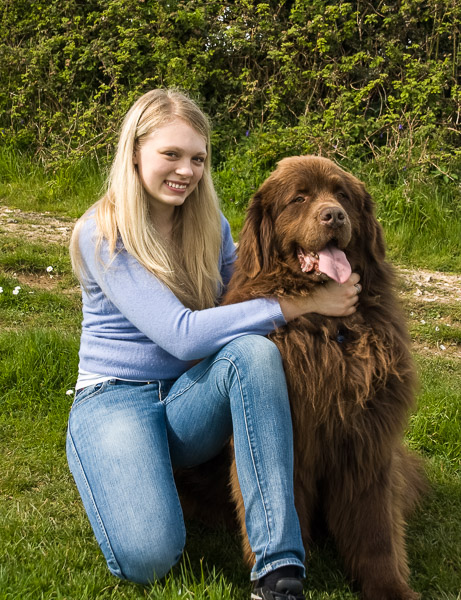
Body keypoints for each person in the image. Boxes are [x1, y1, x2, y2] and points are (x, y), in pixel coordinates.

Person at [67, 88, 361, 600]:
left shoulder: (210, 226)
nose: (186, 170)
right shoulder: (102, 232)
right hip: (115, 399)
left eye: (198, 158)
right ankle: (102, 462)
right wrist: (301, 305)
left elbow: (247, 293)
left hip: (189, 396)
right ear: (135, 152)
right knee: (149, 556)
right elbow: (182, 335)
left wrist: (314, 273)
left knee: (253, 353)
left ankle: (278, 571)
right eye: (171, 154)